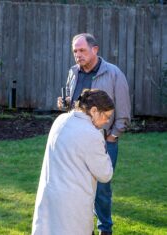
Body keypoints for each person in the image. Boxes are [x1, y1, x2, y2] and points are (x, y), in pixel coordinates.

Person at [57, 33, 131, 235]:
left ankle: (105, 228)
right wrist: (65, 104)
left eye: (82, 50)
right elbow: (74, 105)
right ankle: (82, 226)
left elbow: (123, 111)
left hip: (103, 141)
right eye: (75, 51)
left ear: (95, 50)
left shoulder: (114, 74)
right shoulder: (73, 72)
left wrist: (112, 137)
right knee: (77, 185)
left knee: (102, 189)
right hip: (75, 141)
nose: (77, 55)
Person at [32, 89, 115, 235]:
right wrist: (102, 139)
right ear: (94, 110)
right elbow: (105, 174)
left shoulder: (61, 119)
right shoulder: (92, 134)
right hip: (72, 206)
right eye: (107, 116)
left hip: (50, 198)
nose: (108, 121)